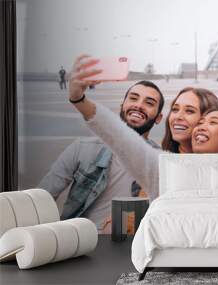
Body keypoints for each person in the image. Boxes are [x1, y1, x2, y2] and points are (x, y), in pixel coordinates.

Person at [67, 55, 218, 202]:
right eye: (175, 109)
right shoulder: (164, 166)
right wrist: (79, 100)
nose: (177, 116)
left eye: (191, 111)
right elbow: (121, 137)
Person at [39, 79, 164, 233]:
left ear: (158, 118)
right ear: (122, 106)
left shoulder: (162, 164)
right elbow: (42, 197)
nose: (138, 105)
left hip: (131, 246)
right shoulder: (83, 149)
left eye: (149, 103)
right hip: (79, 242)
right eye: (133, 98)